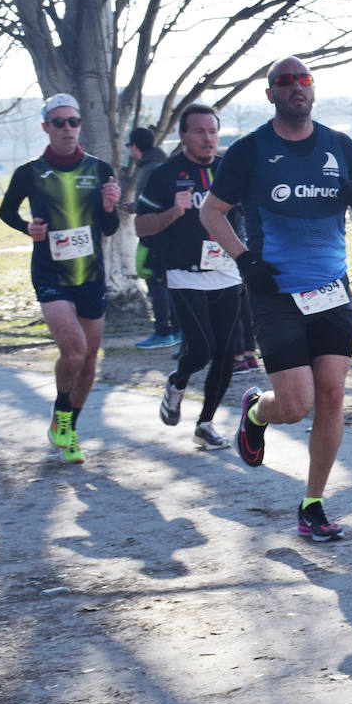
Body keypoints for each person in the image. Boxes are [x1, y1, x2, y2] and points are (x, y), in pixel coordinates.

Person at [199, 56, 352, 541]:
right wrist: (243, 260)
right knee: (296, 404)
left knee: (332, 395)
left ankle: (313, 503)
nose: (296, 88)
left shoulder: (340, 146)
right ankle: (258, 410)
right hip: (275, 290)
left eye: (303, 81)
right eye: (285, 81)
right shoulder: (250, 150)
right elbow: (211, 211)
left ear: (313, 91)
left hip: (330, 290)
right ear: (271, 93)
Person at [0, 93, 121, 464]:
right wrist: (27, 227)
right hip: (51, 274)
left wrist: (110, 207)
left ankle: (67, 426)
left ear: (80, 125)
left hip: (91, 275)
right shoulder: (29, 172)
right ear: (45, 127)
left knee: (89, 359)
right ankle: (62, 412)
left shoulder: (100, 170)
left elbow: (111, 228)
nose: (68, 129)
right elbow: (6, 211)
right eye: (59, 122)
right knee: (74, 351)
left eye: (74, 121)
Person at [135, 103, 240, 450]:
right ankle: (177, 382)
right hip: (184, 273)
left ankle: (205, 425)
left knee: (227, 354)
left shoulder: (229, 170)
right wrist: (174, 212)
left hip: (226, 271)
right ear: (183, 136)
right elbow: (140, 226)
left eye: (212, 131)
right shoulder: (165, 174)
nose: (208, 139)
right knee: (201, 350)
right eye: (199, 132)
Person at [126, 126, 180, 350]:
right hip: (164, 231)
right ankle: (176, 329)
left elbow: (154, 201)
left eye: (129, 147)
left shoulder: (149, 168)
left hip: (155, 234)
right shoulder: (161, 163)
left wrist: (137, 208)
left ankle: (163, 330)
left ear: (135, 146)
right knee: (166, 282)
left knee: (154, 280)